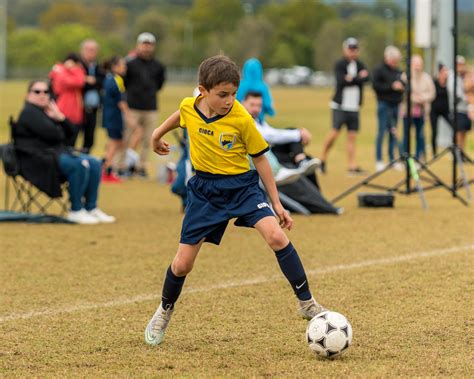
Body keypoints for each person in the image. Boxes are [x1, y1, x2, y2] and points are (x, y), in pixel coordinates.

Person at [144, 55, 326, 346]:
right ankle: (164, 310)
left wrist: (277, 203)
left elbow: (261, 160)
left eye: (233, 94)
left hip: (243, 187)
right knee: (182, 265)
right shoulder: (190, 106)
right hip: (205, 192)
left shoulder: (241, 118)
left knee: (276, 236)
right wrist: (156, 135)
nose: (229, 101)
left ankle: (307, 303)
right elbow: (181, 116)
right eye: (222, 95)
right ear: (202, 90)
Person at [14, 80, 115, 225]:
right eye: (37, 92)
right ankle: (76, 210)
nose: (42, 95)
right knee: (78, 164)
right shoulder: (29, 112)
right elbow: (55, 135)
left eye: (46, 92)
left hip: (54, 155)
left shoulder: (47, 112)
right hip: (37, 160)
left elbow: (71, 133)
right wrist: (58, 121)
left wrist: (60, 117)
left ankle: (91, 208)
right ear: (28, 95)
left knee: (94, 162)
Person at [242, 91, 320, 183]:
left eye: (259, 106)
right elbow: (270, 136)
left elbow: (272, 133)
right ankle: (300, 162)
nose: (256, 109)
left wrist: (297, 134)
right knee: (293, 133)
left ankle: (301, 161)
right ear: (243, 103)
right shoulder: (245, 120)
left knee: (307, 159)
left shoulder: (259, 121)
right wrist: (298, 133)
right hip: (263, 158)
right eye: (252, 105)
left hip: (269, 152)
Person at [320, 37, 369, 176]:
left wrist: (353, 79)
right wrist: (358, 78)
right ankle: (322, 159)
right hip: (340, 105)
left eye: (355, 49)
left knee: (352, 136)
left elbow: (367, 78)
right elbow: (342, 81)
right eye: (350, 49)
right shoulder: (340, 64)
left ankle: (352, 166)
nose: (353, 52)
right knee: (334, 132)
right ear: (345, 49)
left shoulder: (360, 64)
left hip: (354, 106)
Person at [122, 32, 166, 178]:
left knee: (149, 139)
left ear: (153, 47)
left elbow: (160, 84)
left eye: (149, 45)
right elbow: (124, 83)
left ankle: (141, 167)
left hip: (151, 107)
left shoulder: (158, 66)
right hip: (133, 106)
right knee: (128, 137)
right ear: (138, 45)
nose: (146, 48)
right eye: (144, 44)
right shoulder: (129, 64)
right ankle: (124, 166)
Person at [372, 46, 405, 171]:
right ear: (388, 58)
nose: (395, 62)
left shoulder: (398, 71)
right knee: (382, 132)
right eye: (394, 60)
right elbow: (376, 86)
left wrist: (402, 85)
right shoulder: (379, 70)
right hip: (383, 104)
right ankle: (379, 160)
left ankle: (392, 159)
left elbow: (404, 86)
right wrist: (391, 86)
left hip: (396, 104)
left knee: (394, 132)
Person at [401, 55, 435, 162]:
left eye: (419, 64)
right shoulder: (405, 76)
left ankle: (419, 157)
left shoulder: (426, 77)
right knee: (406, 134)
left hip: (421, 111)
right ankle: (405, 157)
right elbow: (403, 92)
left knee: (420, 134)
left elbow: (432, 93)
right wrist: (414, 98)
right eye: (415, 64)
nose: (417, 67)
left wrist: (423, 98)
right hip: (408, 111)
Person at [101, 56, 129, 183]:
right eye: (122, 65)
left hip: (109, 115)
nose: (125, 67)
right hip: (114, 117)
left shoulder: (108, 78)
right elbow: (120, 101)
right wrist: (129, 117)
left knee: (115, 142)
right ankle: (106, 172)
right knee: (114, 143)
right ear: (114, 67)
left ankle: (105, 166)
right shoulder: (116, 80)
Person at [49, 53, 86, 147]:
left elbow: (80, 80)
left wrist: (71, 70)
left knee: (72, 141)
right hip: (64, 110)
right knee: (63, 141)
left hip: (75, 111)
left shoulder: (63, 71)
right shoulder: (60, 72)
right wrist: (72, 69)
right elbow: (79, 81)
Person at [79, 39, 105, 154]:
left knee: (90, 134)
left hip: (93, 107)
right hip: (78, 106)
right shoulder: (77, 65)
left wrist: (93, 81)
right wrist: (85, 80)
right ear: (82, 51)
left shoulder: (98, 67)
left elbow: (102, 80)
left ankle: (86, 155)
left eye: (93, 50)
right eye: (88, 50)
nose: (91, 52)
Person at [236, 58, 275, 122]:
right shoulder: (263, 86)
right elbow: (267, 104)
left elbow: (236, 101)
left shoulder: (240, 85)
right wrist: (270, 111)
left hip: (242, 118)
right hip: (259, 118)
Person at [447, 55, 472, 151]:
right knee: (458, 131)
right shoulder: (452, 76)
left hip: (466, 109)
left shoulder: (464, 76)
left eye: (462, 64)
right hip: (457, 108)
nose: (460, 66)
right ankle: (457, 152)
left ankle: (461, 152)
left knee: (464, 131)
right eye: (458, 64)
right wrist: (467, 98)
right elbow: (456, 93)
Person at [429, 64, 450, 157]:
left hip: (445, 110)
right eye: (444, 71)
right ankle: (434, 152)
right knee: (434, 131)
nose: (446, 73)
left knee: (455, 127)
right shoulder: (434, 82)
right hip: (434, 110)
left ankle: (454, 148)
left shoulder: (449, 82)